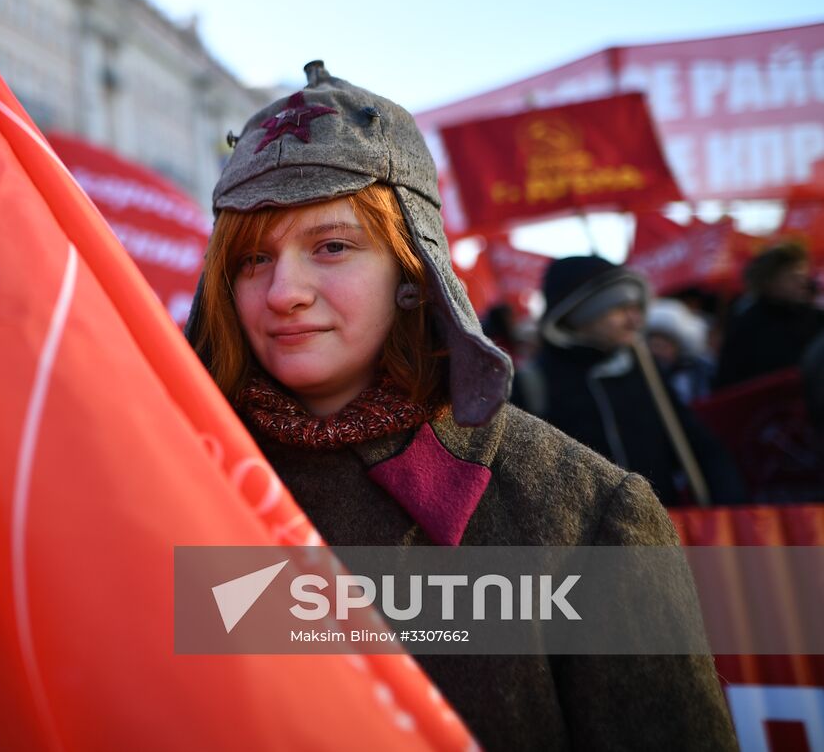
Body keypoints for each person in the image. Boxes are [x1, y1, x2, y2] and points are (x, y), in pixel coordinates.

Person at [186, 63, 736, 751]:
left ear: (414, 272)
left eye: (331, 246)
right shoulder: (172, 481)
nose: (283, 291)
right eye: (252, 260)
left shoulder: (583, 512)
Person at [536, 256, 746, 507]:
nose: (635, 320)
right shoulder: (534, 382)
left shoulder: (646, 369)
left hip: (660, 529)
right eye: (619, 308)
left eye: (636, 308)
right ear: (578, 314)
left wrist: (728, 502)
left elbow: (698, 444)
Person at [715, 242, 824, 389]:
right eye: (792, 277)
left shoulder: (816, 318)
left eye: (803, 275)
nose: (802, 282)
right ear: (769, 281)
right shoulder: (746, 327)